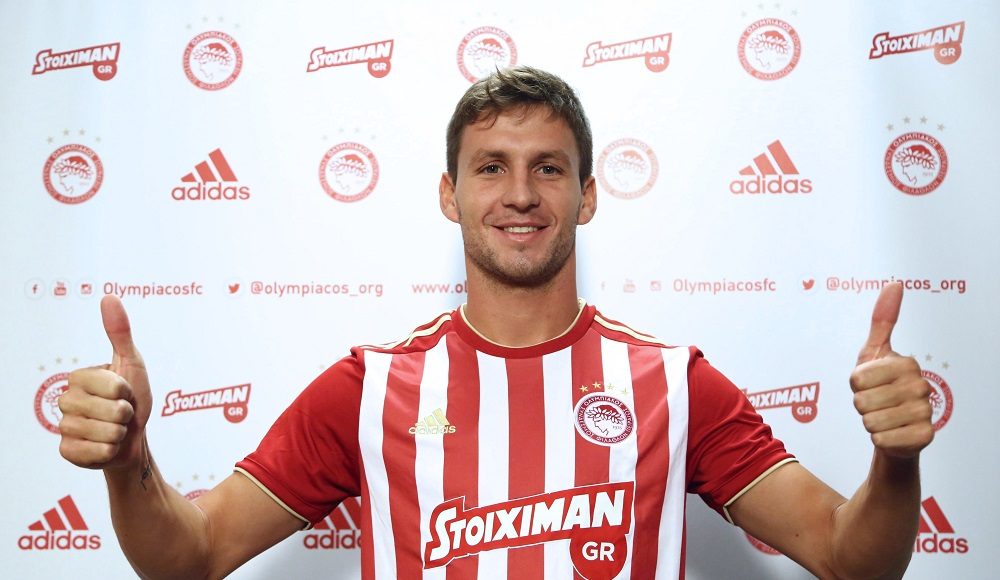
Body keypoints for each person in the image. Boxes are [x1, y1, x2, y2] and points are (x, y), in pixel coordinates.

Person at [57, 66, 934, 579]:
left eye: (548, 168)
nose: (519, 194)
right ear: (450, 194)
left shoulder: (673, 384)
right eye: (491, 168)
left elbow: (847, 557)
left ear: (588, 195)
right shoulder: (369, 389)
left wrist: (896, 465)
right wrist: (131, 468)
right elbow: (193, 556)